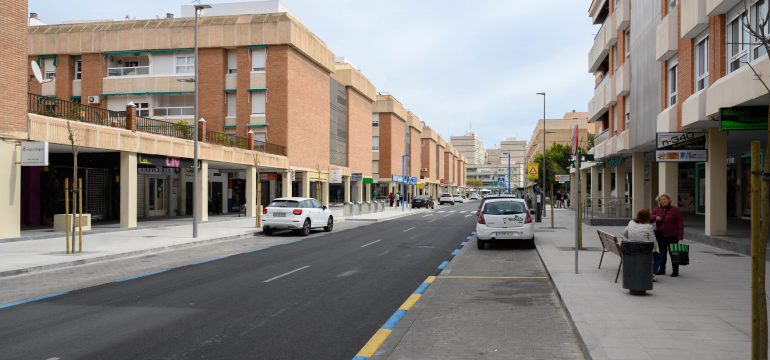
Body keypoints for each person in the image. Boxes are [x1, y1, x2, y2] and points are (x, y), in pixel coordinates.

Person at [650, 194, 684, 277]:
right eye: (661, 200)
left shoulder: (675, 210)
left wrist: (680, 236)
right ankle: (662, 269)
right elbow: (649, 219)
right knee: (662, 253)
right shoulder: (657, 209)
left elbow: (680, 224)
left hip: (672, 235)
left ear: (669, 200)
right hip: (661, 235)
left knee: (674, 253)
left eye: (664, 199)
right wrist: (655, 217)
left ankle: (675, 271)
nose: (663, 201)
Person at [624, 208, 661, 281]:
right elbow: (653, 241)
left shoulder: (631, 222)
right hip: (644, 251)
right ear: (648, 217)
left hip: (631, 249)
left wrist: (631, 238)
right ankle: (652, 274)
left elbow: (625, 233)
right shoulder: (648, 227)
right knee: (658, 258)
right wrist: (654, 250)